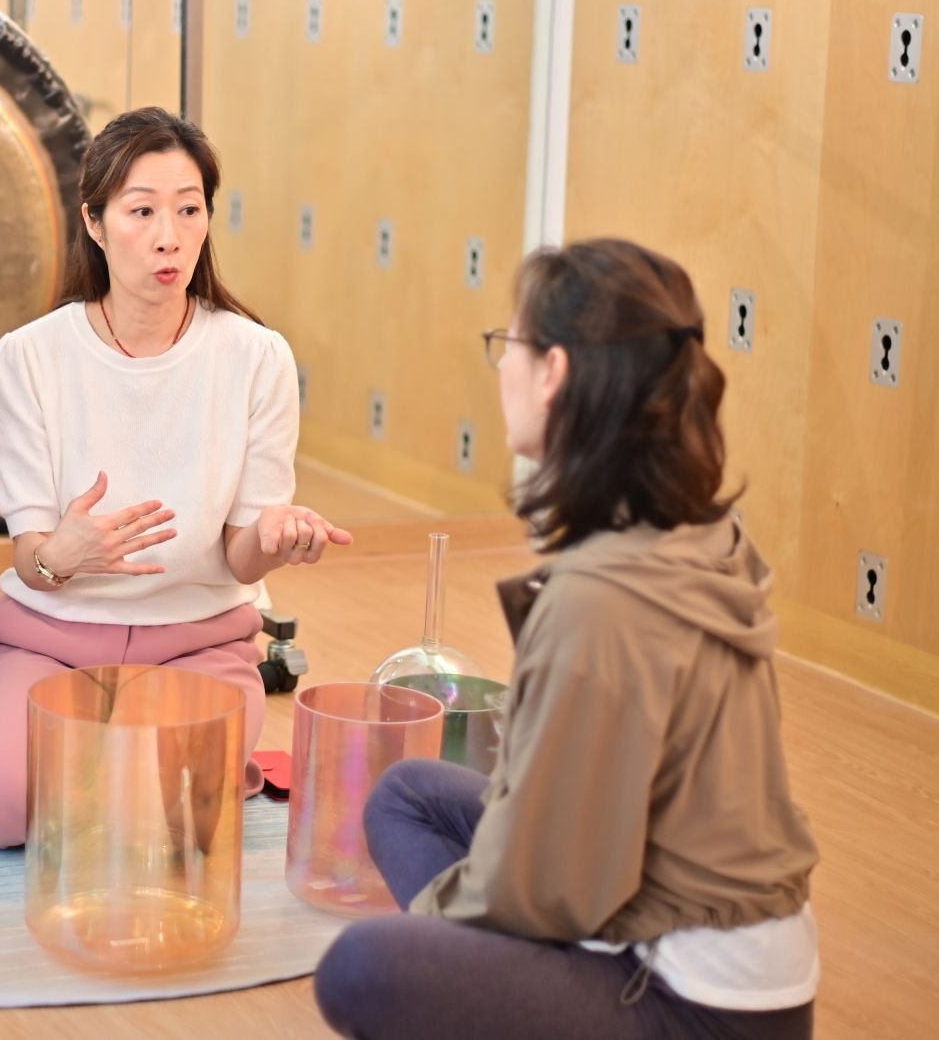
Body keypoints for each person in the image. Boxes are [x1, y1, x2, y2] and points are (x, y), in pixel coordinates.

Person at [314, 238, 820, 1039]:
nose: (502, 367)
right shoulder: (686, 531)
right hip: (715, 956)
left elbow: (557, 885)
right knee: (407, 795)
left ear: (553, 371)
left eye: (508, 343)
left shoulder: (598, 598)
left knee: (362, 968)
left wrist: (443, 950)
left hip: (691, 1003)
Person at [0, 106, 353, 848]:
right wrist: (61, 555)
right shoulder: (29, 357)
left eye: (189, 209)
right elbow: (30, 559)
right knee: (1, 808)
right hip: (54, 637)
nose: (170, 236)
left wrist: (273, 539)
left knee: (171, 822)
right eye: (143, 211)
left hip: (198, 643)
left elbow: (238, 557)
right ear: (94, 223)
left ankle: (125, 750)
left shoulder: (257, 357)